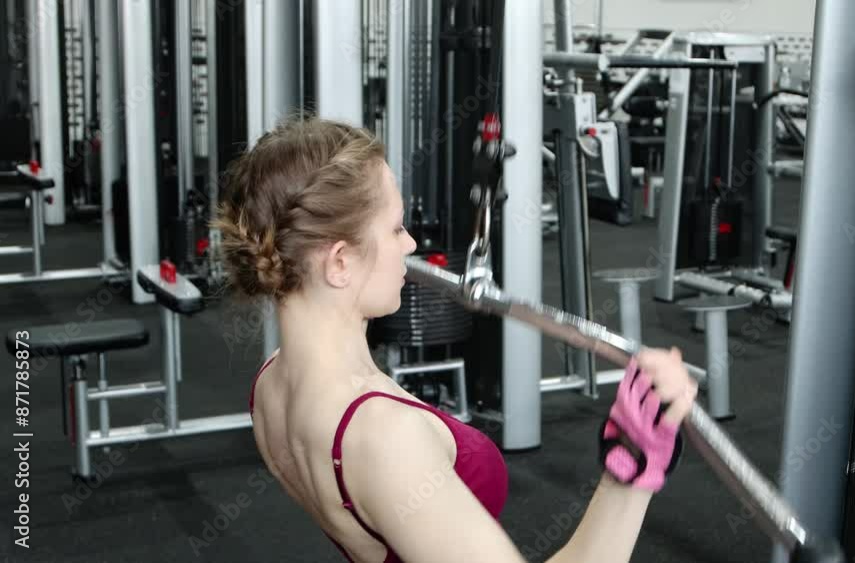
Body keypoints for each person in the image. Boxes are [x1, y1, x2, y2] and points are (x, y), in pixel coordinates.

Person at [215, 117, 698, 563]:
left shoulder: (270, 385)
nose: (410, 244)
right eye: (395, 228)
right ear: (339, 262)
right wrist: (629, 471)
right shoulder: (384, 436)